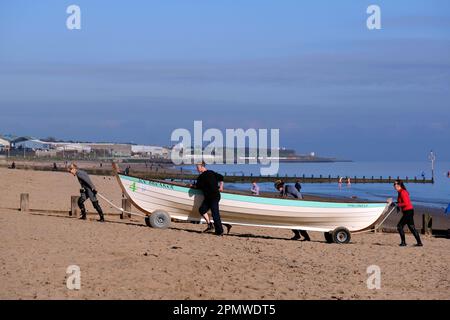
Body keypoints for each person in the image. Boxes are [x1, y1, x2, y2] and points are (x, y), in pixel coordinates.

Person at [191, 161, 226, 236]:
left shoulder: (210, 173)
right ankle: (210, 225)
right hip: (208, 198)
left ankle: (220, 231)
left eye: (197, 167)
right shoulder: (201, 177)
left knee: (215, 214)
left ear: (202, 166)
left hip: (214, 196)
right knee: (202, 209)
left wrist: (221, 186)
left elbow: (221, 178)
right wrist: (192, 186)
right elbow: (197, 186)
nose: (197, 169)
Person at [394, 180, 422, 247]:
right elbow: (400, 202)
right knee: (412, 228)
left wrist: (398, 205)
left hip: (408, 212)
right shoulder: (400, 192)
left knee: (399, 226)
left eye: (395, 184)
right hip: (408, 211)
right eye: (394, 184)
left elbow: (406, 203)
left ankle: (403, 243)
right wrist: (395, 204)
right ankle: (419, 243)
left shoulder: (403, 192)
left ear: (399, 185)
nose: (394, 185)